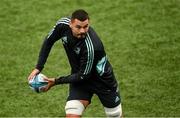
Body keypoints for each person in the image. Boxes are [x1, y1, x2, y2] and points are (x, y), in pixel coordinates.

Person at [28, 9, 122, 118]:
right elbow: (49, 41)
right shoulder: (62, 25)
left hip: (103, 82)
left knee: (115, 115)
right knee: (72, 114)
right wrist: (38, 67)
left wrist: (55, 81)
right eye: (78, 27)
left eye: (85, 26)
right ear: (70, 24)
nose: (82, 30)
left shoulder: (91, 47)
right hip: (80, 81)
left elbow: (83, 75)